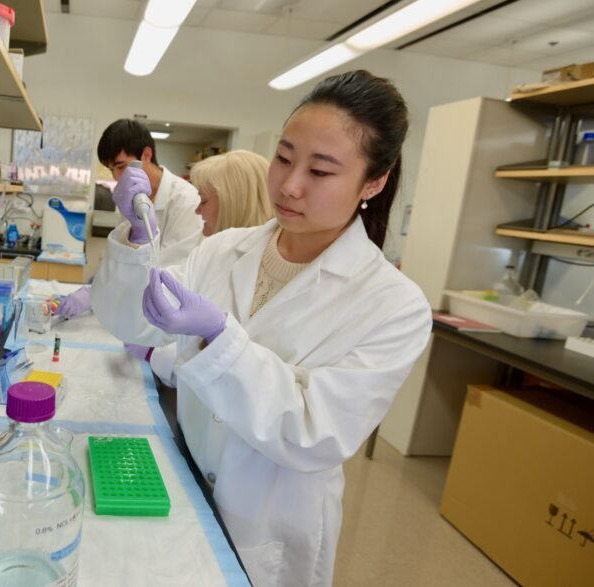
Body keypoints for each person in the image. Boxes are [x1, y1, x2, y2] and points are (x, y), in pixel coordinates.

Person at [90, 70, 432, 586]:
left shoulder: (396, 306)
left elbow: (314, 432)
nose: (289, 185)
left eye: (320, 172)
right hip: (188, 486)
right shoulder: (224, 249)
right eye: (285, 158)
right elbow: (131, 320)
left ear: (374, 182)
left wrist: (221, 339)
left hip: (268, 531)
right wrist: (137, 238)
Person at [124, 149, 274, 381]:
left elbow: (240, 366)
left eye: (203, 200)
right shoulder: (210, 254)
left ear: (232, 202)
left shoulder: (266, 269)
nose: (196, 210)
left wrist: (157, 354)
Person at [56, 119, 204, 318]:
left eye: (121, 166)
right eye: (111, 170)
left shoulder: (185, 200)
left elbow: (173, 275)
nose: (117, 177)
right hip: (132, 308)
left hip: (166, 314)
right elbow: (124, 254)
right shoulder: (133, 194)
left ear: (146, 155)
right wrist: (97, 289)